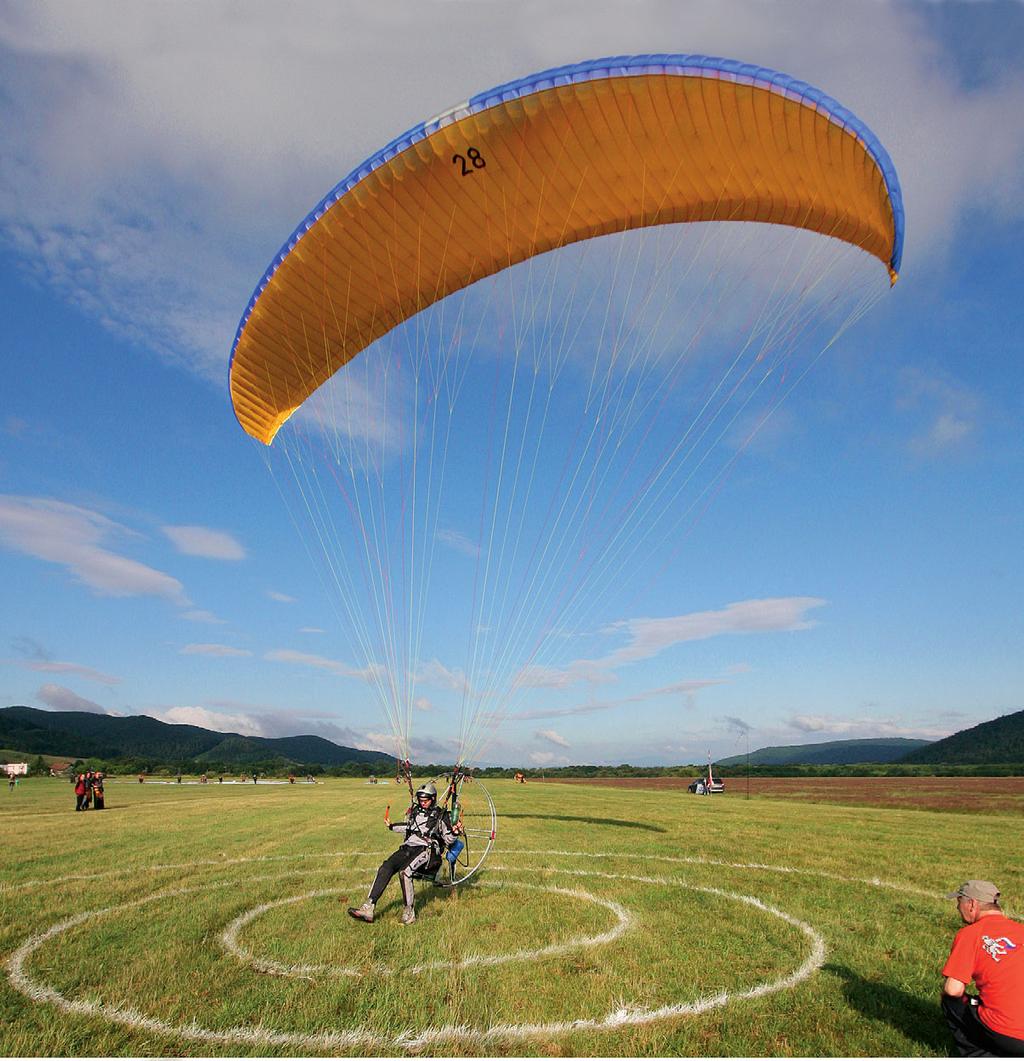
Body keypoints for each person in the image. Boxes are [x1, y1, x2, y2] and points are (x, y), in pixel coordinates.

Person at [348, 782, 462, 926]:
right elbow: (408, 828)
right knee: (386, 867)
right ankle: (368, 908)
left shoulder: (441, 815)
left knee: (405, 872)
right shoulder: (415, 812)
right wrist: (391, 826)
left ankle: (409, 913)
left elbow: (448, 839)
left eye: (425, 800)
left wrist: (455, 832)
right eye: (420, 800)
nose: (422, 803)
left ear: (433, 799)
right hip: (408, 848)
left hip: (427, 850)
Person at [941, 879, 1024, 1056]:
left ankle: (979, 1054)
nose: (957, 908)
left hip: (1010, 1036)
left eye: (959, 902)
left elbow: (953, 989)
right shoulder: (1021, 930)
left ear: (971, 904)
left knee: (949, 999)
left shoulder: (971, 933)